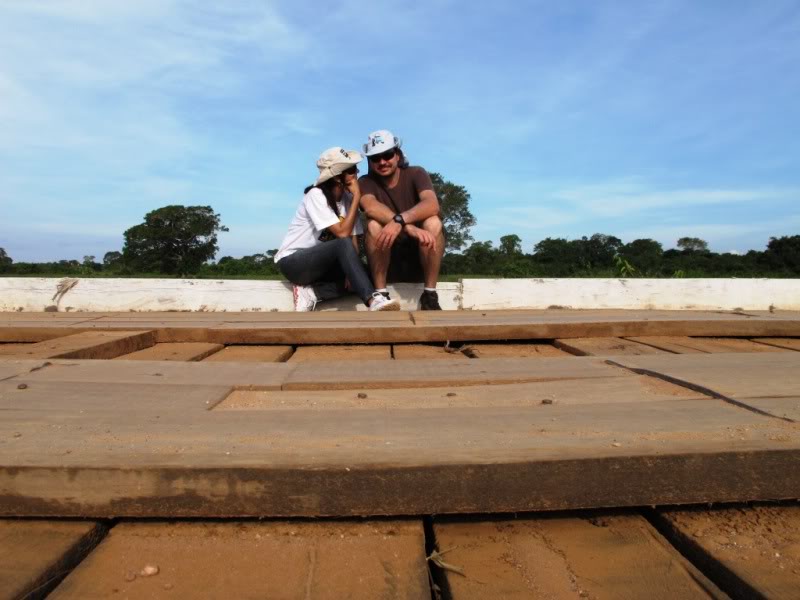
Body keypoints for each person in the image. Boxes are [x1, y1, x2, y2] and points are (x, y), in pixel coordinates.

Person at [275, 147, 400, 312]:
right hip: (294, 264)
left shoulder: (347, 200)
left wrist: (351, 270)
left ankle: (313, 293)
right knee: (342, 243)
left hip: (323, 266)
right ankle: (372, 301)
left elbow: (353, 238)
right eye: (351, 170)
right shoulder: (316, 195)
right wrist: (357, 197)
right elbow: (342, 234)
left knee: (368, 274)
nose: (357, 173)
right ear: (337, 177)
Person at [358, 130, 445, 310]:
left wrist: (399, 221)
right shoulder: (365, 182)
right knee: (374, 225)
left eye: (387, 155)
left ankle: (429, 294)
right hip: (386, 261)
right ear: (370, 161)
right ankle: (381, 294)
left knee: (433, 222)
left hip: (420, 257)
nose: (382, 162)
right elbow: (370, 206)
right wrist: (409, 228)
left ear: (397, 155)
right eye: (375, 158)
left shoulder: (417, 173)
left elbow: (432, 204)